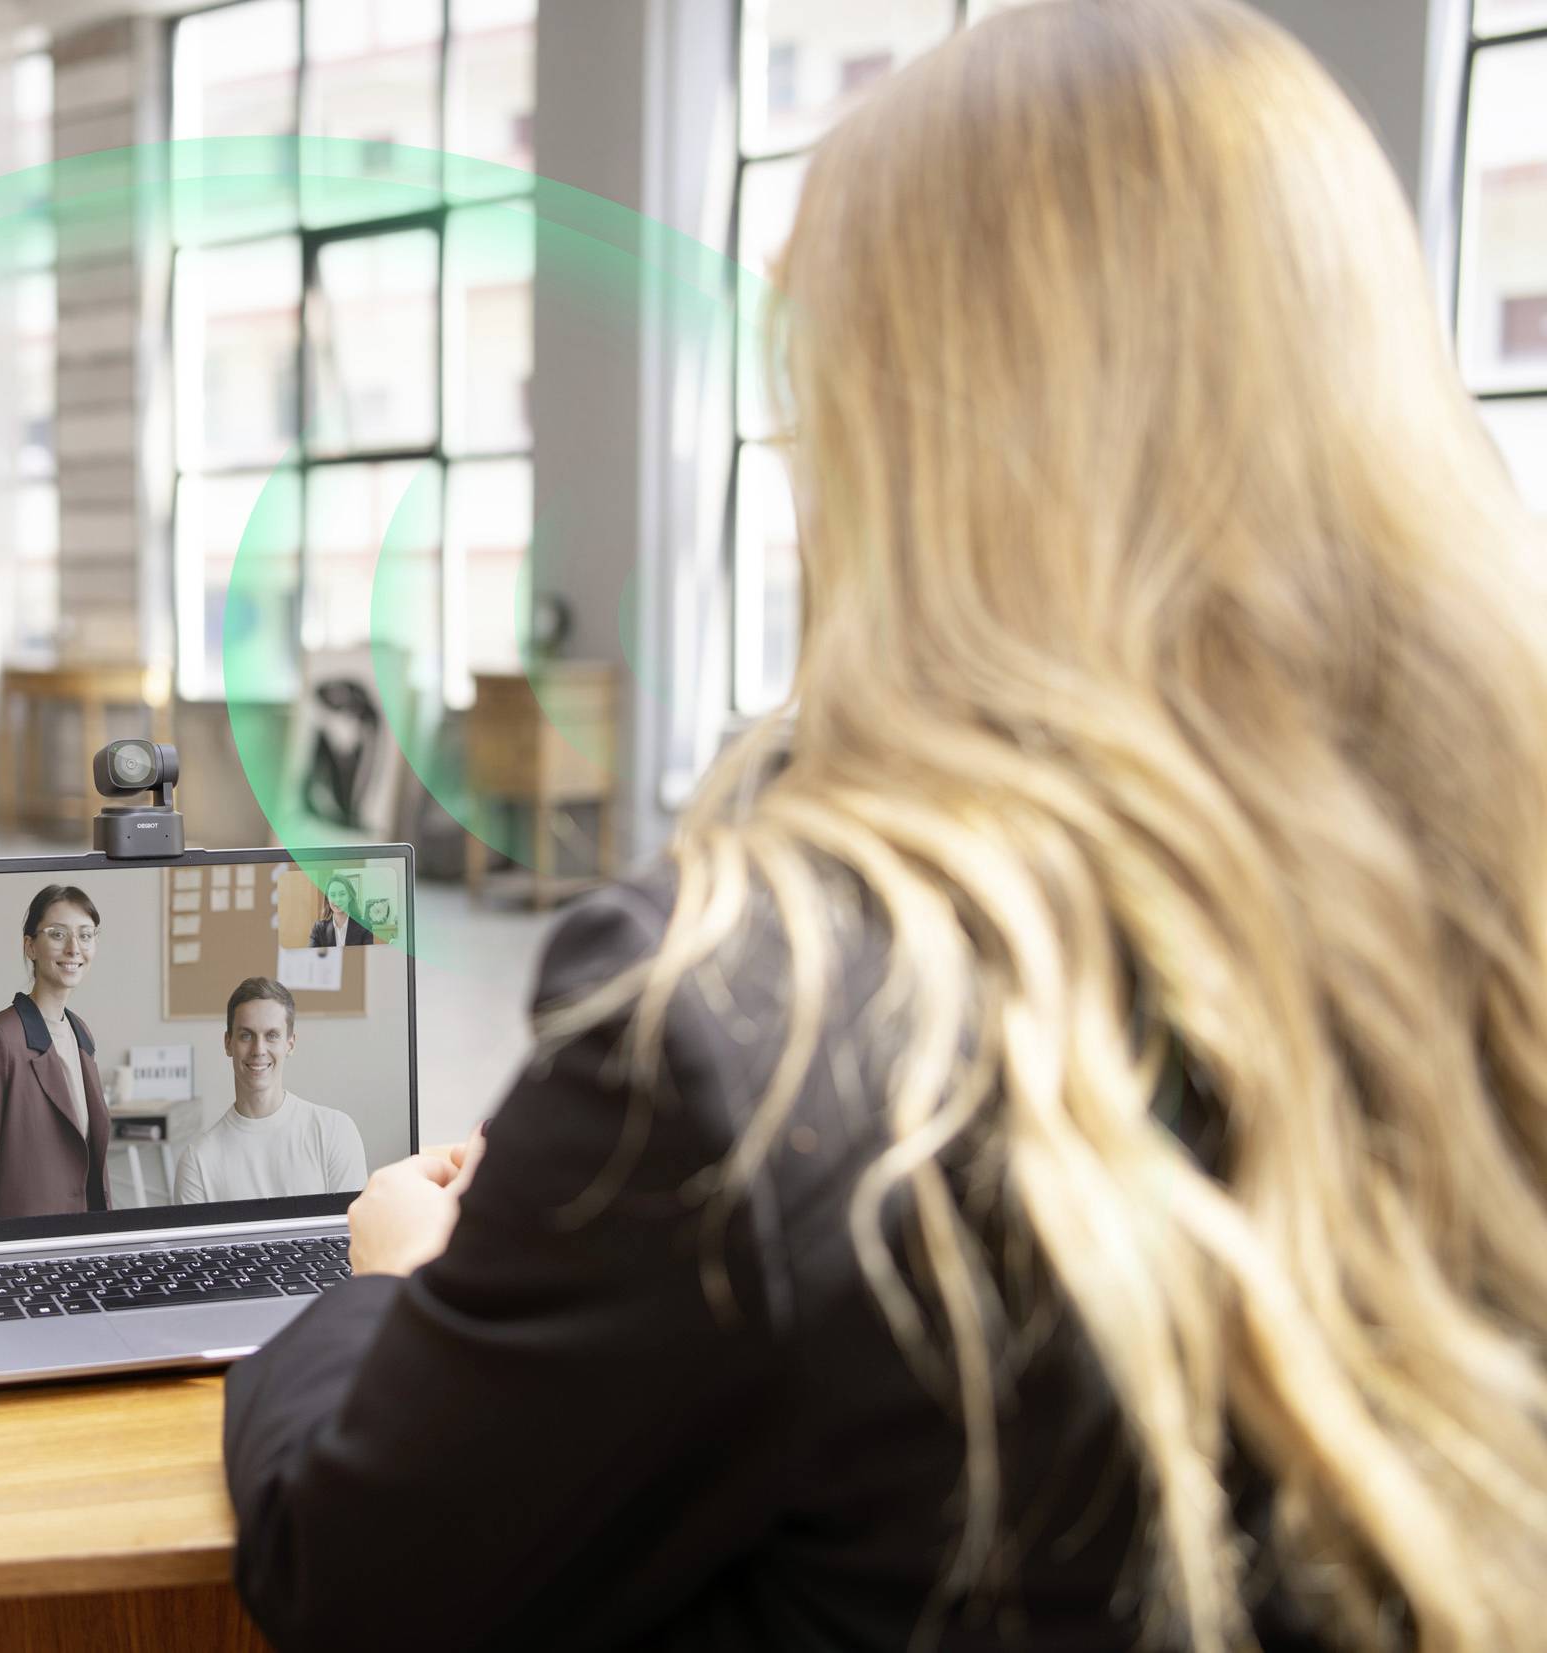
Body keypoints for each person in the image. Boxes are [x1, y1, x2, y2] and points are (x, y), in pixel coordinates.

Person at [221, 4, 1547, 1650]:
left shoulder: (744, 1037)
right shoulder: (1500, 938)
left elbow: (358, 1571)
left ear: (894, 447)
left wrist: (379, 1280)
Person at [0, 886, 111, 1222]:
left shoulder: (81, 1034)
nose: (74, 949)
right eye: (57, 934)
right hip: (22, 1248)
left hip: (85, 1242)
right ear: (30, 946)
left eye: (85, 935)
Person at [175, 978, 367, 1204]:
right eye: (246, 1035)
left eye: (272, 1036)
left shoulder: (334, 1132)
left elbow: (354, 1234)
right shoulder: (198, 1161)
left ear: (290, 1044)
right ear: (228, 1043)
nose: (259, 1049)